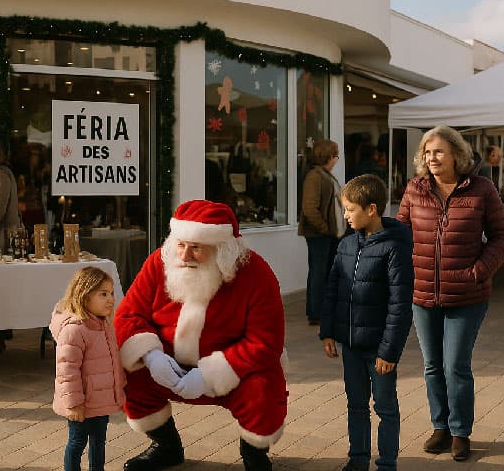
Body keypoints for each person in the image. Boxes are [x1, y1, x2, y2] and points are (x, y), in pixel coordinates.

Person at [115, 200, 287, 471]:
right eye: (181, 245)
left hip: (233, 370)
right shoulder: (158, 263)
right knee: (127, 370)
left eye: (196, 247)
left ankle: (253, 452)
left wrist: (210, 375)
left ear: (223, 250)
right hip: (167, 364)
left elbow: (265, 342)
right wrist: (150, 356)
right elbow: (127, 315)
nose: (184, 256)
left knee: (263, 387)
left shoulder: (256, 274)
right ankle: (166, 446)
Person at [396, 125, 504, 462]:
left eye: (439, 152)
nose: (432, 158)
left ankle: (460, 431)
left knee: (455, 365)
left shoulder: (481, 189)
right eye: (427, 153)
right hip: (422, 293)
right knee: (432, 365)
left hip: (467, 294)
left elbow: (501, 236)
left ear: (457, 154)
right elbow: (400, 233)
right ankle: (440, 427)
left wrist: (480, 271)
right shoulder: (415, 189)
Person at [320, 174, 413, 471]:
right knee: (355, 405)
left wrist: (389, 351)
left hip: (378, 350)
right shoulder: (345, 246)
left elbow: (400, 305)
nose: (345, 215)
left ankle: (387, 463)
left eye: (349, 209)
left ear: (371, 209)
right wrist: (328, 331)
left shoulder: (395, 249)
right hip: (350, 345)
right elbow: (331, 290)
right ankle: (357, 460)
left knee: (385, 407)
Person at [50, 266, 126, 471]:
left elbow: (112, 362)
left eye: (111, 293)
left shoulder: (104, 325)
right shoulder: (74, 330)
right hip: (81, 402)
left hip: (101, 400)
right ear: (84, 296)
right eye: (103, 294)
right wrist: (74, 404)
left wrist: (118, 390)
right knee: (77, 443)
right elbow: (67, 372)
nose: (110, 299)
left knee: (99, 441)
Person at [298, 139, 345, 325]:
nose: (336, 160)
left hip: (328, 234)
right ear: (328, 156)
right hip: (320, 234)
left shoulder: (324, 175)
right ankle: (316, 312)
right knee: (319, 272)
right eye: (335, 156)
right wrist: (325, 229)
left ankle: (322, 311)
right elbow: (310, 208)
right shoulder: (315, 176)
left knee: (324, 272)